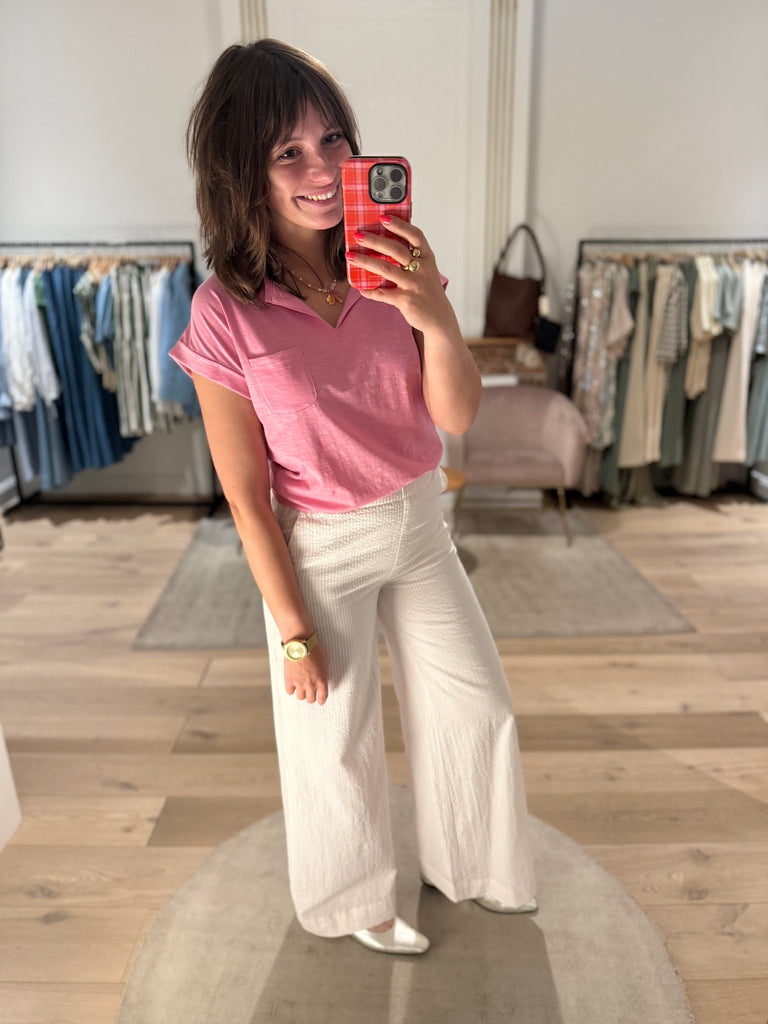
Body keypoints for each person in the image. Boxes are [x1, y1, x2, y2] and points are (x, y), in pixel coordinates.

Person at [171, 38, 537, 955]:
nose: (323, 170)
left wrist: (433, 314)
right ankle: (352, 902)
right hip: (321, 545)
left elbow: (457, 415)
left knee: (477, 705)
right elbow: (246, 496)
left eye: (332, 140)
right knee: (331, 740)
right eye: (287, 152)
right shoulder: (224, 313)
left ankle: (474, 864)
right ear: (241, 172)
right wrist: (292, 629)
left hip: (420, 522)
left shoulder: (394, 257)